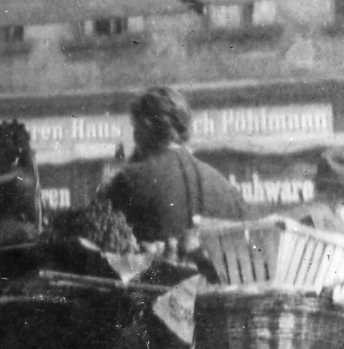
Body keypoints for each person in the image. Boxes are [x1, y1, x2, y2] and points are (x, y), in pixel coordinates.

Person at [100, 86, 247, 248]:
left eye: (135, 128)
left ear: (145, 127)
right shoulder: (228, 190)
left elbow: (101, 243)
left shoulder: (130, 180)